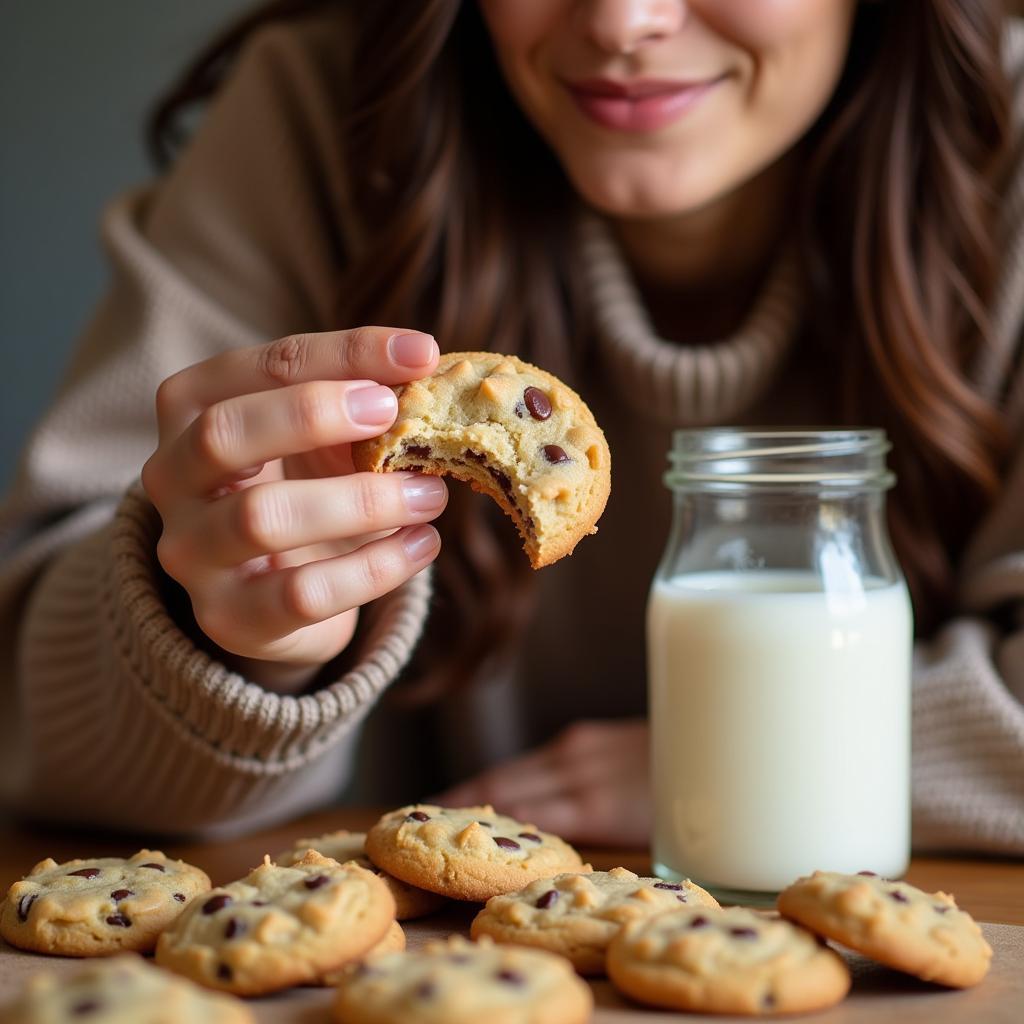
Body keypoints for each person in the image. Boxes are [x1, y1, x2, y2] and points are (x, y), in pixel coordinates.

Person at [1, 0, 1022, 851]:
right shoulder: (324, 121)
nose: (625, 23)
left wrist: (745, 763)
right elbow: (28, 719)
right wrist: (229, 643)